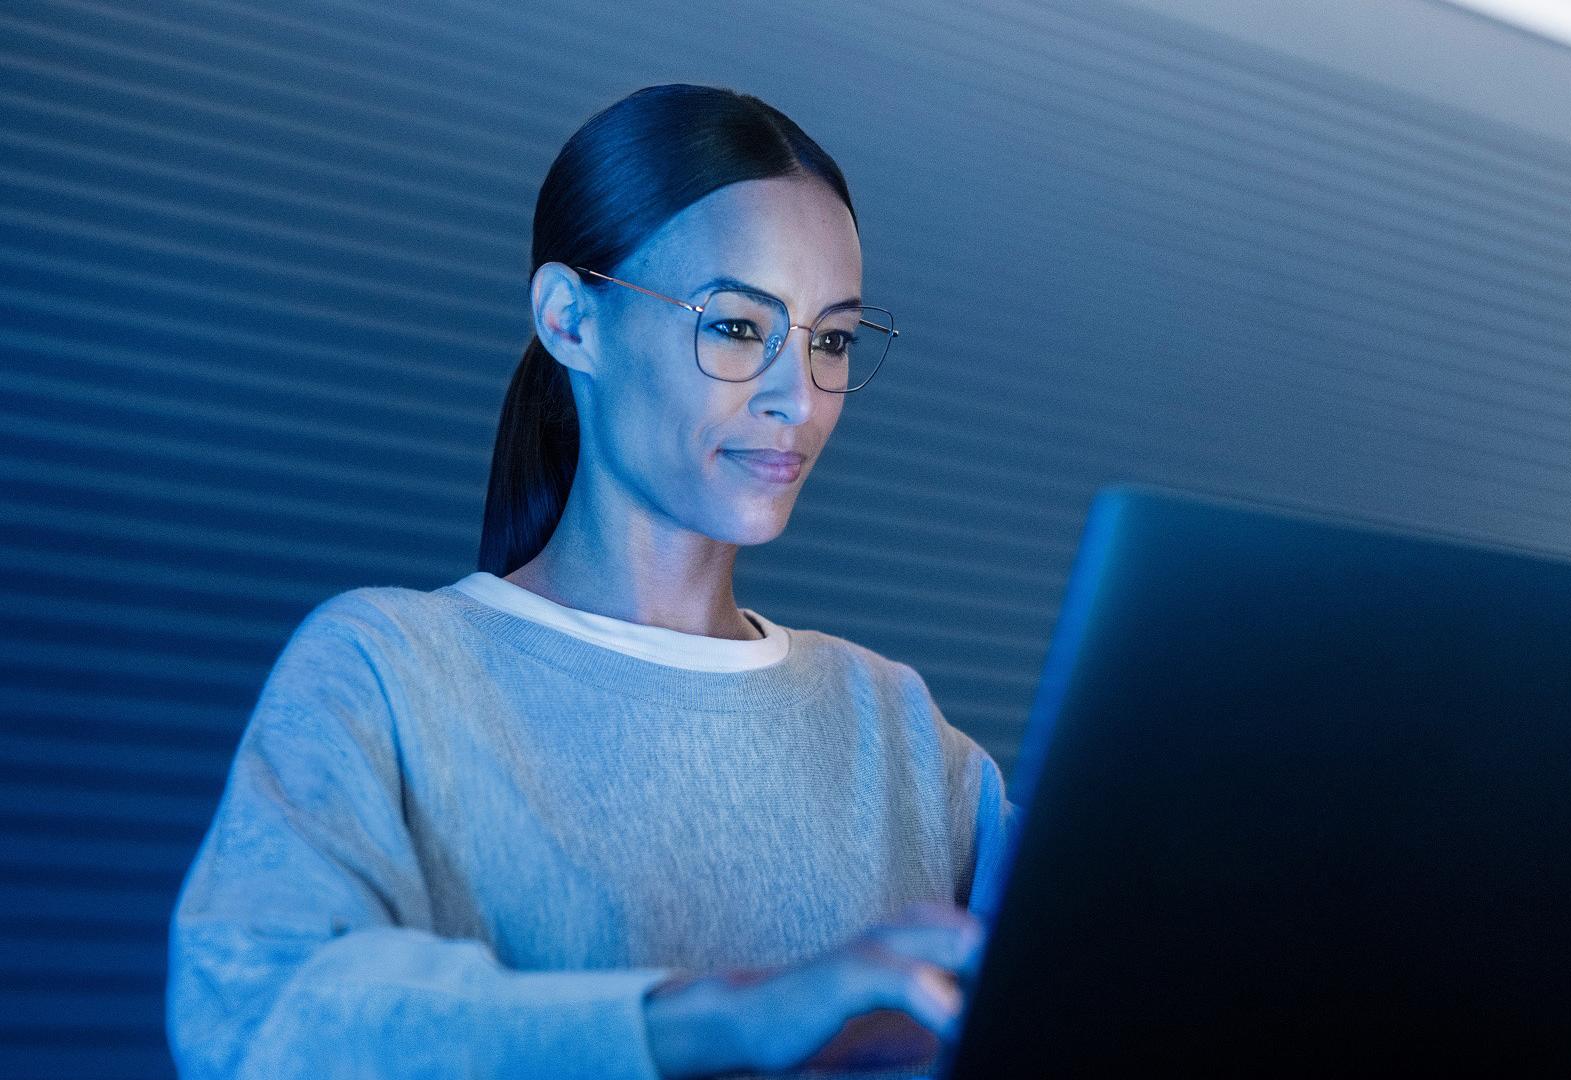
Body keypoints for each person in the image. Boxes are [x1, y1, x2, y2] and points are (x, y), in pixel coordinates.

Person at [166, 83, 1023, 1080]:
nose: (800, 397)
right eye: (740, 327)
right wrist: (727, 1017)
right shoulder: (387, 671)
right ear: (572, 320)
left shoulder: (906, 733)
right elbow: (258, 1020)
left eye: (831, 339)